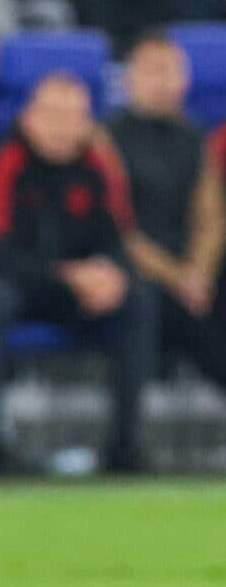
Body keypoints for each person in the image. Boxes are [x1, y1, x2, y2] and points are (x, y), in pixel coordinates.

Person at [0, 73, 158, 470]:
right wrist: (64, 275)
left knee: (138, 299)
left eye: (73, 117)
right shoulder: (5, 160)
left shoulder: (97, 164)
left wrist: (110, 273)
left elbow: (117, 236)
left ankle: (127, 446)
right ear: (28, 117)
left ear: (87, 123)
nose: (62, 127)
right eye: (52, 115)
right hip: (18, 285)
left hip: (73, 292)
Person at [108, 34, 226, 391]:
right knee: (140, 300)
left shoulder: (195, 138)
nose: (164, 81)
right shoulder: (106, 138)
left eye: (172, 71)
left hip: (191, 277)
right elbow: (116, 226)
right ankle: (127, 444)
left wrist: (199, 273)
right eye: (153, 71)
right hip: (137, 270)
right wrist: (177, 277)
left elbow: (211, 217)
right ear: (129, 79)